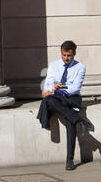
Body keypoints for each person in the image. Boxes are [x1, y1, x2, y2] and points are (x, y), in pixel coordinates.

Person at [37, 40, 86, 170]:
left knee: (70, 124)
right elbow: (47, 86)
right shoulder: (54, 65)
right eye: (64, 55)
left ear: (74, 54)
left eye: (69, 56)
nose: (66, 58)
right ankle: (78, 120)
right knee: (49, 100)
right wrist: (53, 87)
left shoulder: (80, 67)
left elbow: (75, 88)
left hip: (72, 99)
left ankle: (69, 160)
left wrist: (61, 86)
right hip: (57, 98)